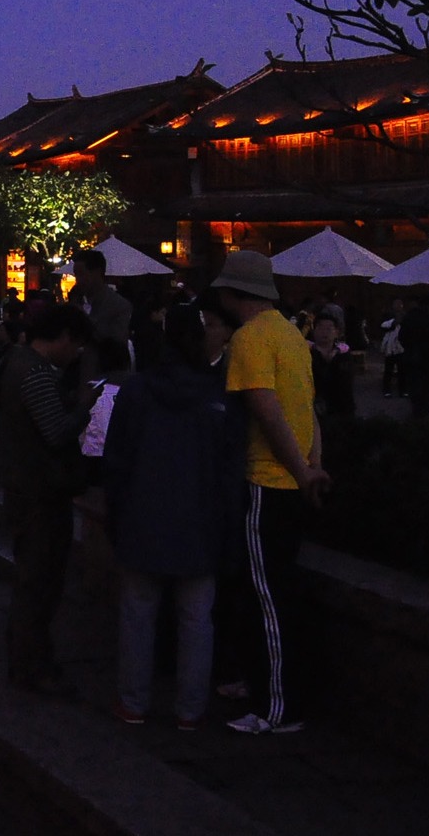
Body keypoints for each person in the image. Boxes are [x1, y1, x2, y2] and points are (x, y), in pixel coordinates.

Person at [101, 306, 246, 730]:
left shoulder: (136, 391)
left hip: (142, 519)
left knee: (137, 615)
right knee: (197, 619)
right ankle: (190, 709)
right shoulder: (218, 396)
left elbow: (116, 462)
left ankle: (134, 702)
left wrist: (118, 514)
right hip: (201, 523)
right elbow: (231, 469)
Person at [210, 250, 330, 736]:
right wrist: (314, 464)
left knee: (268, 597)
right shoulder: (290, 334)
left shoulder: (249, 339)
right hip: (293, 478)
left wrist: (300, 472)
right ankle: (265, 684)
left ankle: (278, 708)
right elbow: (307, 408)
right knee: (272, 591)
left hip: (267, 480)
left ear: (232, 293)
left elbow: (266, 410)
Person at [0, 303, 95, 694]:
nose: (77, 354)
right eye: (77, 345)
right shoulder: (34, 371)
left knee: (36, 580)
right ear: (65, 337)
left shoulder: (17, 362)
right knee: (39, 581)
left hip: (26, 485)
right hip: (38, 490)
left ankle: (31, 660)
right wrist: (85, 405)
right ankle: (31, 665)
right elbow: (56, 431)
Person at [70, 248, 133, 398]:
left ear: (97, 273)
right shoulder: (75, 301)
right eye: (76, 275)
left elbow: (116, 345)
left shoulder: (118, 306)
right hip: (75, 383)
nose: (78, 280)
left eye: (81, 274)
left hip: (102, 385)